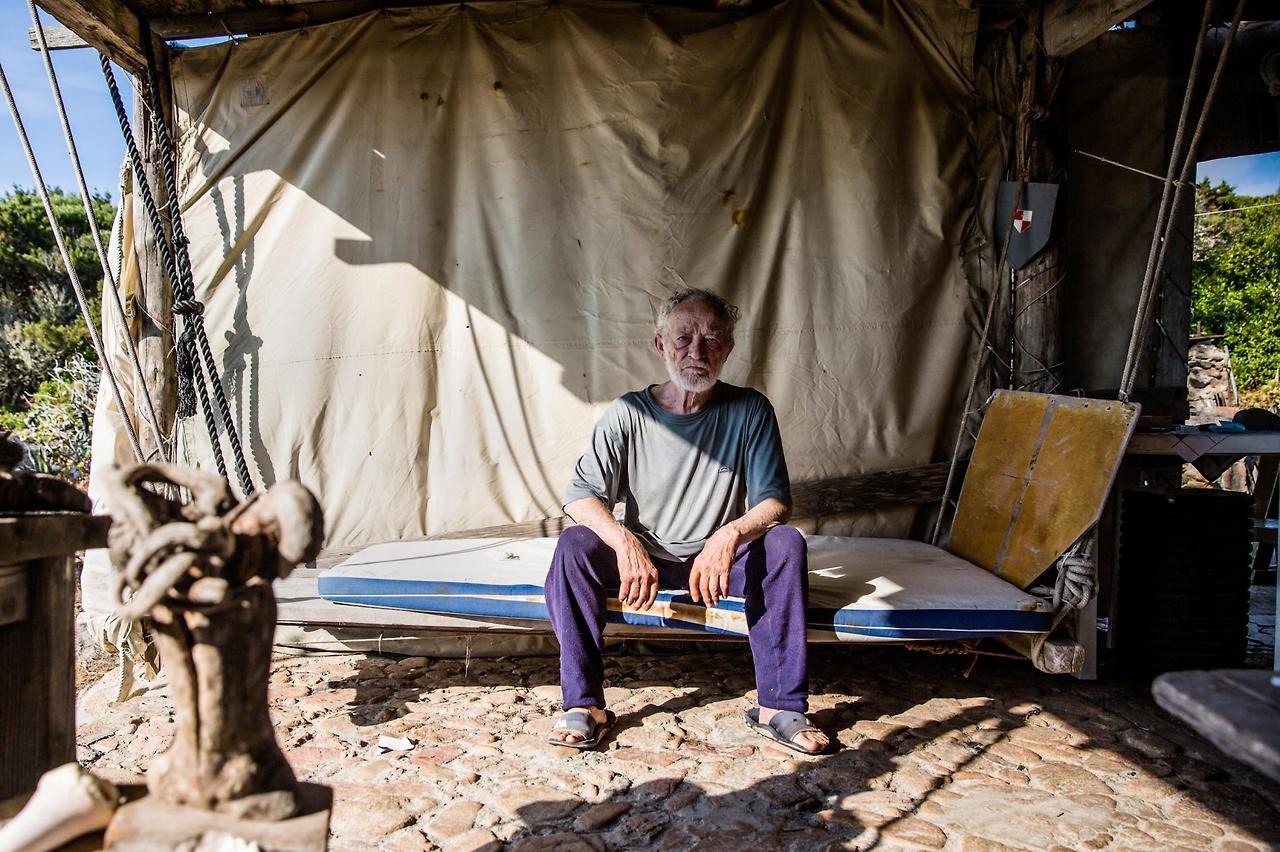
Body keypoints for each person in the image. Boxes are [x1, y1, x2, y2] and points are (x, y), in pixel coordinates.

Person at [543, 288, 829, 754]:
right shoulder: (629, 412)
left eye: (712, 340)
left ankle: (779, 706)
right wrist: (624, 542)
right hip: (645, 565)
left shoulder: (749, 410)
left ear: (729, 349)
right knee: (575, 545)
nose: (696, 352)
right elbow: (580, 497)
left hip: (715, 564)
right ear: (660, 344)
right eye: (682, 339)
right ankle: (584, 704)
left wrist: (730, 533)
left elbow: (774, 501)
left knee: (785, 545)